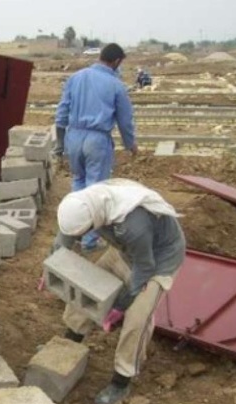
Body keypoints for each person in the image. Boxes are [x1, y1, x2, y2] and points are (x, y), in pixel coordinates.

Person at [45, 179, 186, 404]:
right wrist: (51, 267)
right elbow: (66, 235)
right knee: (86, 290)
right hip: (123, 252)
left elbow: (144, 268)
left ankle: (122, 379)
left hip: (156, 263)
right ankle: (70, 344)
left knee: (136, 320)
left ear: (94, 220)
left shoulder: (132, 224)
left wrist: (120, 306)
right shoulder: (86, 204)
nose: (83, 236)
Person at [54, 43, 138, 253]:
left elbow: (62, 112)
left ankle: (72, 233)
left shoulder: (76, 77)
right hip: (97, 140)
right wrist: (130, 144)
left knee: (78, 184)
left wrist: (60, 143)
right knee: (96, 192)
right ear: (116, 61)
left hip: (74, 137)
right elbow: (125, 120)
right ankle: (90, 241)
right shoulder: (115, 85)